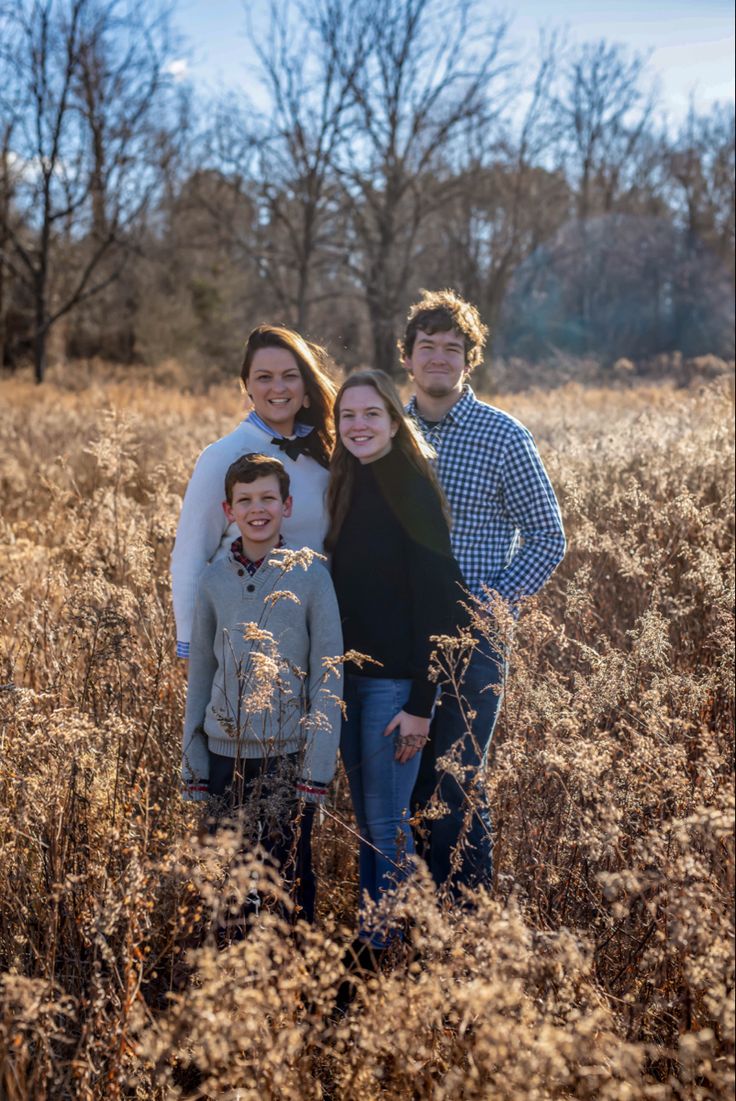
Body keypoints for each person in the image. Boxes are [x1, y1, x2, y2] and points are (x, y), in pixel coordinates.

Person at [401, 289, 566, 898]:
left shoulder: (503, 435)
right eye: (428, 346)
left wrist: (488, 607)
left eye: (452, 348)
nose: (439, 358)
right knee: (408, 779)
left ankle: (467, 925)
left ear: (469, 361)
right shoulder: (384, 433)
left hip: (477, 641)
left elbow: (549, 536)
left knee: (459, 779)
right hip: (401, 636)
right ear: (408, 358)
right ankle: (416, 913)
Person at [327, 369, 464, 953]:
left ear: (392, 420)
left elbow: (442, 605)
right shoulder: (350, 482)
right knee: (372, 825)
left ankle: (380, 951)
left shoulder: (409, 484)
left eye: (370, 415)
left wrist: (419, 705)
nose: (359, 425)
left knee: (387, 829)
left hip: (393, 691)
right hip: (349, 685)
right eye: (347, 416)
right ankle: (375, 936)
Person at [181, 453, 343, 926]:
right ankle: (234, 973)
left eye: (268, 498)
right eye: (245, 500)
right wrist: (194, 756)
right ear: (229, 511)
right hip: (224, 756)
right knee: (229, 874)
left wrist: (316, 764)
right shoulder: (213, 581)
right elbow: (202, 673)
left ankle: (292, 974)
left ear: (287, 506)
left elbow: (329, 672)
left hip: (286, 753)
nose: (258, 508)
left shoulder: (312, 574)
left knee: (288, 871)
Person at [171, 324, 337, 660]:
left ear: (305, 384)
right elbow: (189, 558)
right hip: (244, 636)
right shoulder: (223, 455)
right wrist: (193, 647)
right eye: (264, 377)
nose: (278, 387)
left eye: (289, 376)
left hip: (316, 632)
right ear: (247, 385)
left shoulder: (324, 454)